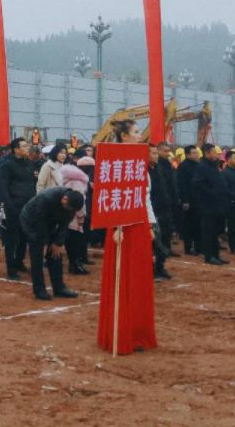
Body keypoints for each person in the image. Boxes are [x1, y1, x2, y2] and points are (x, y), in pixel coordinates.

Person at [97, 120, 156, 355]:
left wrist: (150, 224)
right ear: (123, 136)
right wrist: (116, 227)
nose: (139, 134)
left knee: (139, 279)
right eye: (135, 131)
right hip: (122, 229)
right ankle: (121, 334)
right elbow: (110, 195)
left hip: (139, 224)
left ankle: (138, 332)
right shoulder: (114, 159)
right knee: (124, 279)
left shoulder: (140, 160)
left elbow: (144, 196)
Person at [19, 187, 83, 300]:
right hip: (31, 222)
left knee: (55, 254)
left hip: (50, 223)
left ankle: (59, 288)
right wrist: (43, 243)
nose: (70, 211)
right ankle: (39, 290)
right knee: (37, 255)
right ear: (64, 199)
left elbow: (64, 225)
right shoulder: (45, 199)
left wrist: (58, 243)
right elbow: (40, 223)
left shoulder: (71, 206)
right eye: (68, 208)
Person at [0, 137, 36, 279]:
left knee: (24, 237)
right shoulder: (7, 165)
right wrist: (9, 206)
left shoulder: (29, 163)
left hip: (28, 207)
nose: (27, 148)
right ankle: (11, 269)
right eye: (24, 146)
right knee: (11, 239)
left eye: (27, 146)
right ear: (16, 149)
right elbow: (3, 188)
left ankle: (19, 261)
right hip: (14, 206)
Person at [193, 144, 229, 266]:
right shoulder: (202, 167)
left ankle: (216, 255)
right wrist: (212, 193)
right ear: (207, 153)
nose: (217, 155)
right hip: (208, 206)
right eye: (214, 152)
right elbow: (198, 185)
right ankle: (209, 256)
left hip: (217, 205)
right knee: (208, 232)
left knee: (215, 232)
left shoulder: (214, 166)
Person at [146, 142, 176, 280]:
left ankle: (160, 267)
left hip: (165, 208)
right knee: (155, 242)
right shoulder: (143, 171)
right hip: (153, 211)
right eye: (153, 153)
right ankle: (151, 269)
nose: (156, 156)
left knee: (165, 238)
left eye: (156, 153)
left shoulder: (159, 168)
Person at [58, 160, 90, 274]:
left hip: (67, 214)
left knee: (69, 240)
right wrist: (82, 216)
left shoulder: (67, 180)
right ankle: (75, 265)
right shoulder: (78, 182)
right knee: (76, 241)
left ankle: (74, 264)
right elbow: (80, 202)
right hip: (76, 217)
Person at [176, 145, 201, 255]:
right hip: (189, 201)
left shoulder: (198, 165)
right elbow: (182, 185)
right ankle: (188, 248)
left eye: (197, 152)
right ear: (188, 154)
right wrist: (185, 200)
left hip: (198, 199)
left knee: (197, 224)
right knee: (188, 225)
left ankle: (198, 247)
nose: (197, 154)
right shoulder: (183, 166)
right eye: (194, 153)